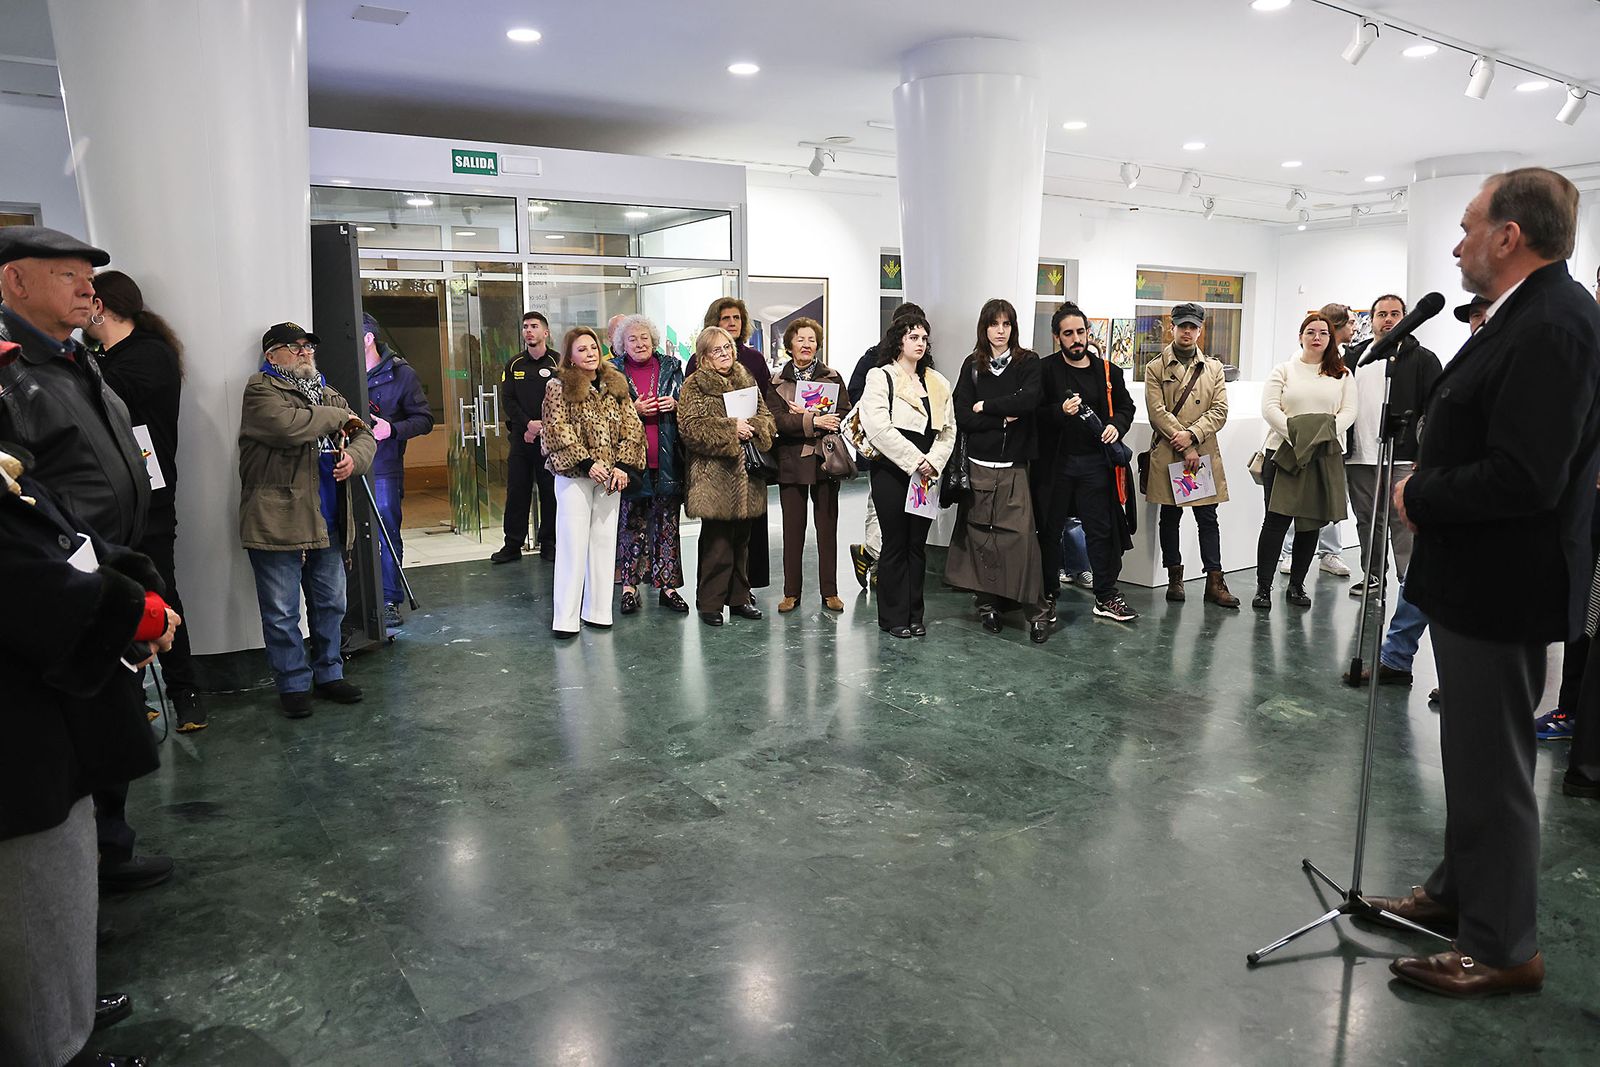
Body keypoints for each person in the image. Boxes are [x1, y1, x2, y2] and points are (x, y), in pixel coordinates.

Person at [1372, 168, 1600, 998]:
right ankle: (1458, 893)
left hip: (1503, 582)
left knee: (1495, 768)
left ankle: (1504, 946)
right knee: (1470, 756)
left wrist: (1418, 492)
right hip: (1475, 578)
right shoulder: (1523, 316)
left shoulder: (1556, 325)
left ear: (1510, 236)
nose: (1458, 242)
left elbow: (1526, 474)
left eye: (1469, 227)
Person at [0, 226, 173, 893]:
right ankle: (83, 883)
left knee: (111, 722)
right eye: (66, 275)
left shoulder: (75, 357)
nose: (86, 288)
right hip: (66, 587)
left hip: (111, 566)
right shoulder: (12, 370)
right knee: (75, 739)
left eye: (88, 276)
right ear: (15, 281)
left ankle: (109, 853)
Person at [0, 442, 172, 1067]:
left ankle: (64, 1006)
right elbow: (30, 583)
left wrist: (130, 585)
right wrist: (132, 613)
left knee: (55, 900)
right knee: (31, 903)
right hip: (17, 742)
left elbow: (62, 534)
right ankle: (53, 1039)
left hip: (46, 718)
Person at [85, 269, 208, 731]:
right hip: (106, 498)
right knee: (114, 596)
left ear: (101, 306)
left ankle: (186, 692)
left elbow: (102, 396)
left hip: (150, 498)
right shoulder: (102, 357)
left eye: (85, 296)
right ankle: (132, 696)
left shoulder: (146, 356)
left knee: (161, 591)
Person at [1349, 296, 1488, 690]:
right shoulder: (1366, 357)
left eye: (1484, 315)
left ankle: (1456, 677)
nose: (1478, 322)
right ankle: (1395, 657)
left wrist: (1424, 463)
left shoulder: (1433, 360)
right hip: (1436, 478)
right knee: (1421, 575)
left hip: (1470, 487)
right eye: (1474, 316)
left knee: (1444, 581)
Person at [240, 322, 376, 717]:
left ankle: (329, 673)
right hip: (277, 519)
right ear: (272, 356)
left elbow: (364, 434)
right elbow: (287, 426)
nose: (304, 352)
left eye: (308, 346)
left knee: (331, 603)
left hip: (328, 517)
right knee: (282, 611)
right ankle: (293, 684)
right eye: (293, 346)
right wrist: (337, 419)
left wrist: (355, 459)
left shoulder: (328, 392)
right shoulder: (260, 389)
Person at [945, 299, 1052, 643]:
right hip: (977, 466)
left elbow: (1028, 401)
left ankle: (1036, 611)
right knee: (980, 537)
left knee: (1022, 541)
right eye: (994, 324)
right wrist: (1001, 420)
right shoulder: (972, 365)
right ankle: (987, 603)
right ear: (985, 328)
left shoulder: (1028, 362)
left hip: (1014, 468)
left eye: (1006, 324)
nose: (1000, 331)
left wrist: (986, 406)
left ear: (1013, 328)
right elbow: (962, 414)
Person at [1036, 302, 1139, 623]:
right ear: (1057, 338)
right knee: (1050, 532)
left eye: (1081, 332)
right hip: (1056, 465)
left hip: (1096, 464)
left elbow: (1126, 407)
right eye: (1068, 334)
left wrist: (1116, 425)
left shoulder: (1107, 371)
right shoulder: (1045, 370)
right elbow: (1033, 415)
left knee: (1101, 531)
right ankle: (1048, 595)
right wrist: (1059, 412)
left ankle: (1106, 595)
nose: (1076, 339)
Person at [540, 326, 646, 637]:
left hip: (612, 477)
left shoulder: (616, 383)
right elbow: (555, 431)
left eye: (593, 347)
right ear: (570, 356)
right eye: (582, 349)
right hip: (575, 475)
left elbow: (633, 427)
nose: (590, 353)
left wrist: (625, 465)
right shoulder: (557, 387)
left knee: (603, 544)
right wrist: (587, 463)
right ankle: (565, 619)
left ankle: (598, 611)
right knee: (573, 545)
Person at [858, 312, 955, 637]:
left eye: (924, 338)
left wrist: (933, 462)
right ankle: (893, 617)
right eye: (913, 337)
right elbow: (878, 427)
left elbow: (949, 431)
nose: (920, 343)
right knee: (895, 543)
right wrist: (916, 461)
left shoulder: (937, 382)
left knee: (917, 545)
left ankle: (916, 615)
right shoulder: (881, 376)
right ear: (898, 339)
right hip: (892, 471)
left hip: (927, 474)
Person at [1252, 313, 1356, 610]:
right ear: (1301, 336)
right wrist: (1297, 435)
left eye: (1323, 333)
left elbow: (1349, 412)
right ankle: (1263, 588)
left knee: (1310, 524)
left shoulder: (1342, 375)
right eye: (1310, 332)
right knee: (1275, 522)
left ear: (1330, 339)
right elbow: (1270, 408)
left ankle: (1297, 586)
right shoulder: (1283, 370)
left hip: (1321, 455)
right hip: (1282, 453)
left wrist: (1318, 436)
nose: (1317, 337)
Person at [1340, 295, 1441, 597]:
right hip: (1359, 456)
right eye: (1381, 314)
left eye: (1395, 313)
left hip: (1403, 456)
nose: (1388, 319)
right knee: (1367, 521)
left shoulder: (1423, 358)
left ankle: (1408, 581)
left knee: (1402, 519)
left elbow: (1433, 410)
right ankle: (1373, 577)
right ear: (1370, 320)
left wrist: (1423, 455)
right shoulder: (1355, 356)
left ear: (1406, 318)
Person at [678, 325, 776, 626]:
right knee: (716, 545)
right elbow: (690, 429)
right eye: (717, 350)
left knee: (742, 543)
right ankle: (710, 602)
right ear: (705, 357)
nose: (725, 354)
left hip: (747, 476)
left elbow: (768, 420)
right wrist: (731, 429)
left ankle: (739, 598)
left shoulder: (746, 379)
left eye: (728, 347)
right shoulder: (694, 386)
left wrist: (755, 428)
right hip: (713, 479)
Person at [1143, 302, 1238, 608]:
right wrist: (1186, 442)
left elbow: (1220, 410)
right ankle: (1175, 578)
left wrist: (1193, 435)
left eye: (1192, 327)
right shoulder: (1155, 367)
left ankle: (1215, 580)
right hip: (1174, 452)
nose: (1187, 331)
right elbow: (1157, 412)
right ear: (1172, 327)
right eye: (1182, 325)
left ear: (1200, 330)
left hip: (1202, 455)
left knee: (1207, 519)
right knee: (1170, 517)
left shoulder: (1213, 368)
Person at [608, 313, 689, 615]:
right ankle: (629, 588)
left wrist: (676, 404)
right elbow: (606, 413)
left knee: (668, 525)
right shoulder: (612, 372)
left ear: (653, 340)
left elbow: (686, 403)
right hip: (630, 463)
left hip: (666, 459)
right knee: (631, 526)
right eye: (632, 339)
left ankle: (668, 588)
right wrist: (634, 408)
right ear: (621, 344)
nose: (639, 343)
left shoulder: (671, 366)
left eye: (644, 337)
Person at [770, 316, 851, 614]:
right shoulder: (777, 381)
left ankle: (830, 591)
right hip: (791, 461)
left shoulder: (832, 377)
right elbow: (777, 420)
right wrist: (814, 419)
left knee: (827, 527)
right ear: (789, 344)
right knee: (792, 530)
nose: (806, 344)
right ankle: (791, 592)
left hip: (825, 460)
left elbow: (843, 411)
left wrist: (811, 417)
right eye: (800, 339)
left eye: (812, 340)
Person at [361, 312, 435, 628]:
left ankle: (389, 601)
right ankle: (357, 601)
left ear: (368, 338)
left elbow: (424, 419)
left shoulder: (401, 374)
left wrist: (390, 430)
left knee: (386, 532)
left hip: (384, 466)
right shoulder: (338, 370)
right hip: (344, 464)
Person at [847, 301, 927, 590]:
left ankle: (870, 554)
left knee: (908, 512)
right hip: (882, 448)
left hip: (917, 453)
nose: (916, 340)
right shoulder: (873, 359)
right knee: (879, 507)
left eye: (920, 333)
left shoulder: (925, 363)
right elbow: (856, 396)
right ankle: (879, 561)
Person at [494, 311, 559, 564]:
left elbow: (565, 399)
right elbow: (508, 400)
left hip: (551, 438)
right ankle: (512, 544)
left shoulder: (558, 361)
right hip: (522, 439)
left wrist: (544, 426)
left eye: (534, 326)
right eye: (525, 327)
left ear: (546, 332)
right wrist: (527, 424)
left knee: (550, 492)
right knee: (517, 490)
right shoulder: (513, 364)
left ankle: (549, 543)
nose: (528, 331)